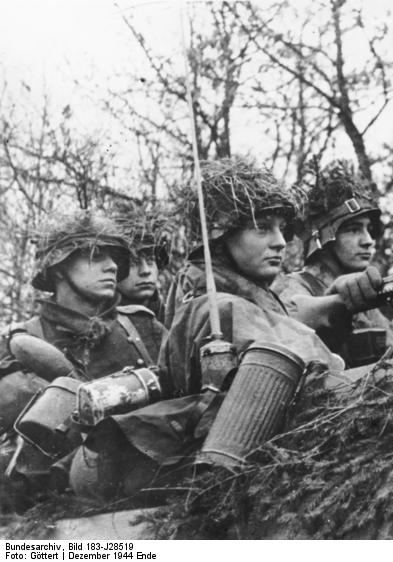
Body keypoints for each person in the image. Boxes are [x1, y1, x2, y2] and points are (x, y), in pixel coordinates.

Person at [69, 157, 344, 503]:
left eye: (281, 230)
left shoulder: (251, 297)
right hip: (217, 465)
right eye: (262, 228)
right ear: (221, 237)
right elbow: (314, 365)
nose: (279, 242)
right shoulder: (214, 304)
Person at [0, 210, 165, 510]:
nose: (113, 266)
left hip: (144, 507)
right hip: (43, 522)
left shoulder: (144, 329)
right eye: (96, 255)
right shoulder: (16, 345)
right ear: (59, 267)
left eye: (115, 257)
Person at [273, 160, 393, 366]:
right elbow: (283, 341)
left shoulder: (366, 299)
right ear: (323, 239)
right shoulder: (292, 289)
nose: (368, 240)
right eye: (353, 229)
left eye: (369, 229)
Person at [116, 208, 172, 322]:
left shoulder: (172, 319)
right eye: (134, 262)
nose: (145, 271)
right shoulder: (101, 324)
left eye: (150, 260)